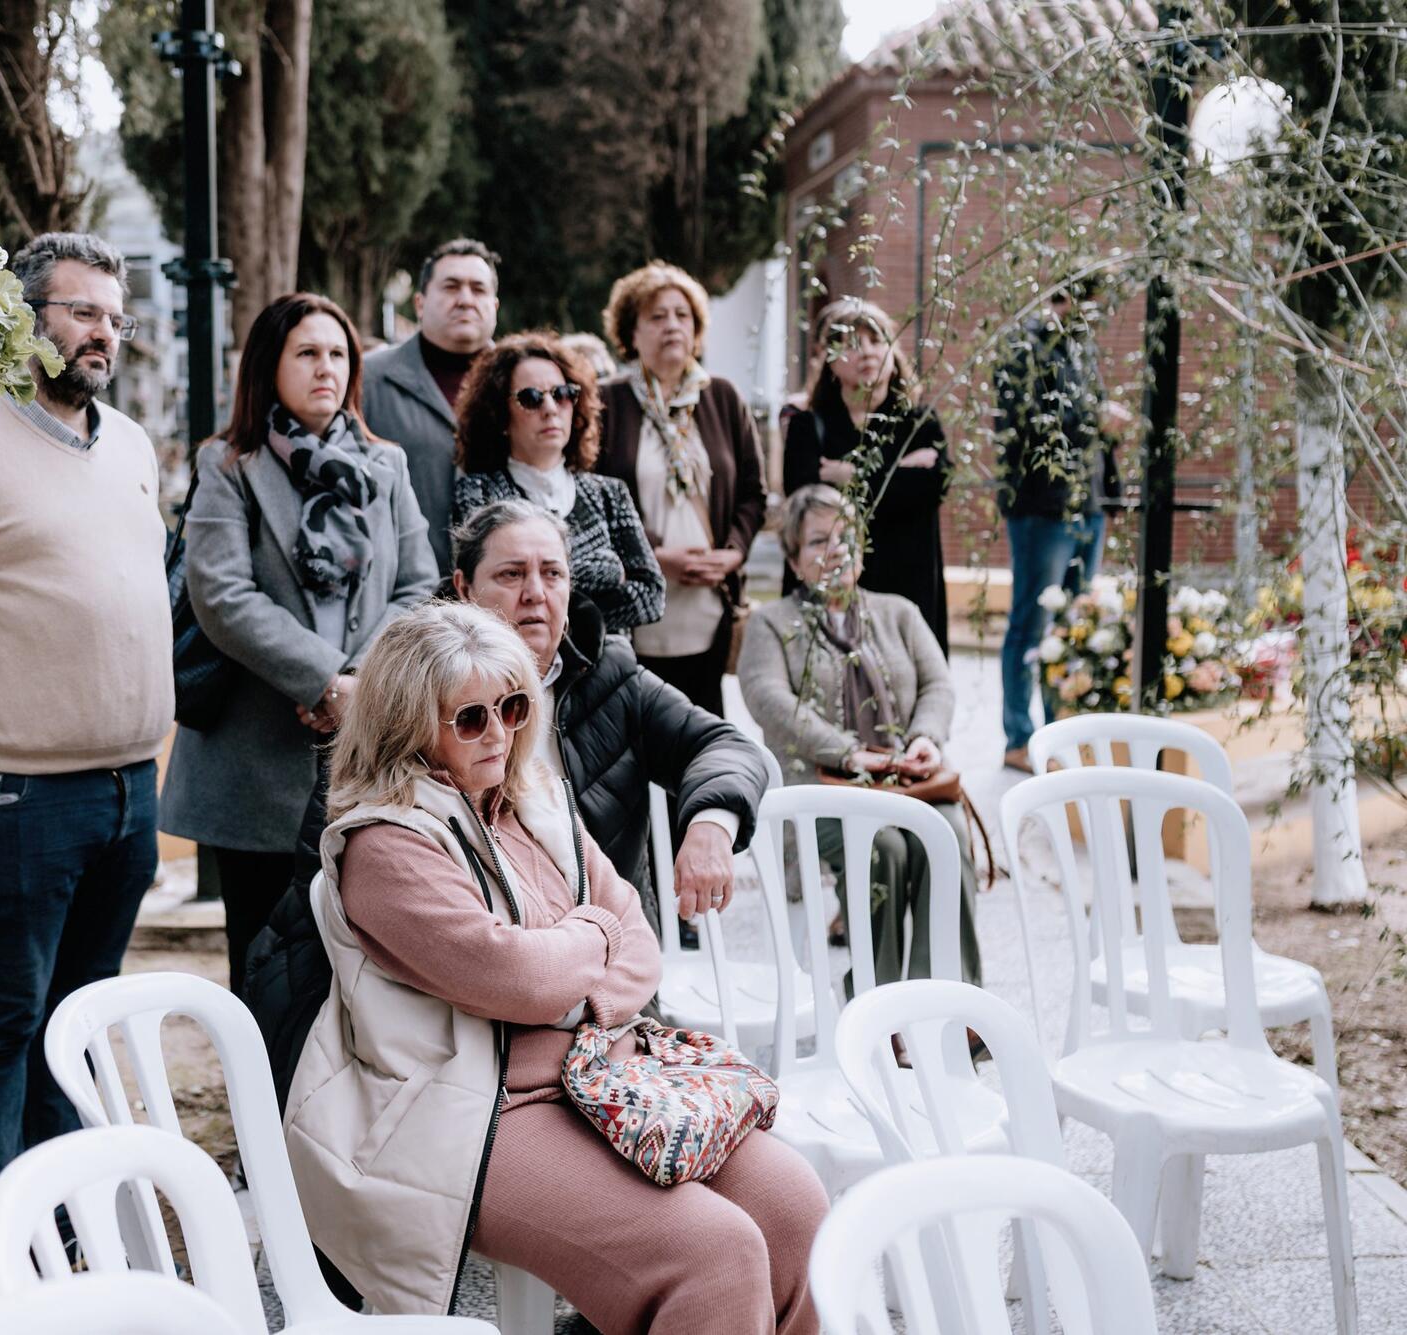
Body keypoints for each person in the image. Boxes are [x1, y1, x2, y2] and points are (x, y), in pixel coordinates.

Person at [284, 601, 826, 1331]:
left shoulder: (531, 797)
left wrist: (573, 979)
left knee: (794, 1205)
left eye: (512, 707)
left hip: (601, 1071)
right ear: (406, 725)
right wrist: (592, 935)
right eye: (469, 718)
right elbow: (521, 978)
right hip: (479, 1106)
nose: (500, 733)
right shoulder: (385, 844)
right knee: (713, 1251)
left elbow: (639, 948)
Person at [248, 498, 774, 1107]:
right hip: (445, 1023)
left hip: (599, 999)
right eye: (511, 573)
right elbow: (344, 883)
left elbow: (726, 746)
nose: (535, 594)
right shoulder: (403, 705)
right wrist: (582, 952)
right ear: (462, 587)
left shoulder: (611, 676)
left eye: (552, 573)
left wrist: (709, 822)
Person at [0, 231, 171, 1184]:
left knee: (82, 1019)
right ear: (24, 317)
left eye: (115, 319)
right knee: (2, 1022)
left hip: (129, 790)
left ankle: (67, 1217)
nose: (103, 334)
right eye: (82, 312)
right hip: (15, 797)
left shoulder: (131, 445)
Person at [161, 293, 438, 993]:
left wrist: (358, 686)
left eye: (338, 353)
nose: (326, 368)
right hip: (256, 760)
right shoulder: (229, 465)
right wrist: (322, 679)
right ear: (269, 366)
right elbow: (221, 594)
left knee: (365, 968)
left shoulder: (387, 465)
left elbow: (417, 584)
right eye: (307, 353)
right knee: (262, 964)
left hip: (365, 754)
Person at [739, 484, 981, 994]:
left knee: (949, 833)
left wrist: (925, 738)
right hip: (820, 793)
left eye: (845, 537)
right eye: (818, 541)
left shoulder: (898, 613)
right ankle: (878, 1000)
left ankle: (946, 996)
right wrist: (850, 754)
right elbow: (769, 700)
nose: (835, 551)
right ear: (794, 560)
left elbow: (937, 685)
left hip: (908, 781)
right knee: (882, 845)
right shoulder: (770, 624)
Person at [596, 261, 768, 716]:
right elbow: (591, 502)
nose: (672, 325)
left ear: (697, 330)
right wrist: (653, 556)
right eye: (656, 316)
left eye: (682, 315)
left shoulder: (723, 397)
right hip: (637, 608)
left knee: (704, 738)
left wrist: (733, 552)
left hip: (709, 606)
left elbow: (753, 493)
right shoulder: (607, 403)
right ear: (631, 333)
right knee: (638, 735)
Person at [994, 277, 1135, 770]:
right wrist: (1097, 416)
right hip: (1042, 507)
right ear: (1066, 297)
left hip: (1087, 503)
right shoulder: (1023, 346)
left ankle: (1060, 733)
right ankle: (1019, 738)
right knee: (1031, 624)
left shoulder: (1081, 347)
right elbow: (1026, 423)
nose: (1096, 315)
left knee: (1074, 625)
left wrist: (1110, 487)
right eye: (1090, 304)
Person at [451, 332, 663, 633]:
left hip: (608, 661)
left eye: (562, 394)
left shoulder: (608, 493)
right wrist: (606, 574)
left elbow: (652, 596)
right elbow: (482, 597)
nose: (550, 408)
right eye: (531, 398)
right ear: (499, 414)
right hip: (516, 659)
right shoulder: (478, 493)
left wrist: (546, 606)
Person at [782, 297, 953, 655]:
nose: (867, 352)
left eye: (876, 340)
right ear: (830, 360)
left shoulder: (919, 422)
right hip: (831, 586)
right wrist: (897, 474)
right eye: (851, 344)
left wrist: (850, 474)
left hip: (909, 581)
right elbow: (805, 497)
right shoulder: (808, 426)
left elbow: (932, 487)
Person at [361, 238, 500, 573]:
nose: (465, 299)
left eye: (478, 289)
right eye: (451, 287)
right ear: (420, 303)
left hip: (503, 591)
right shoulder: (367, 381)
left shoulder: (525, 386)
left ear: (494, 305)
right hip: (401, 587)